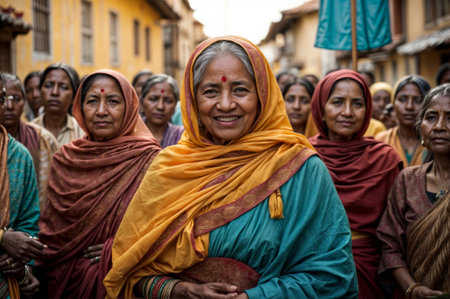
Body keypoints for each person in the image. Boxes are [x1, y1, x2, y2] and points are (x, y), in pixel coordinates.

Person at [104, 36, 358, 299]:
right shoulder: (169, 168)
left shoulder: (299, 168)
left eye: (240, 90)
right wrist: (179, 290)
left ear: (262, 95)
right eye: (211, 91)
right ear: (193, 99)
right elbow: (129, 270)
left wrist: (254, 297)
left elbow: (332, 276)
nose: (225, 104)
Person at [36, 69, 161, 298]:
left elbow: (161, 226)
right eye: (92, 101)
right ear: (80, 108)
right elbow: (52, 234)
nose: (101, 111)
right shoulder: (66, 159)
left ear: (130, 107)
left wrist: (118, 248)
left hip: (126, 278)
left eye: (113, 101)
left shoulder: (150, 159)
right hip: (63, 278)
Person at [309, 69, 402, 298]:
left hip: (371, 268)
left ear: (367, 110)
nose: (347, 112)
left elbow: (397, 227)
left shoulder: (385, 159)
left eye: (357, 104)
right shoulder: (302, 155)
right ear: (321, 109)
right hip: (312, 267)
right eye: (338, 102)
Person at [377, 84, 450, 298]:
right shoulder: (407, 181)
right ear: (420, 127)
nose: (439, 126)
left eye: (449, 118)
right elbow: (390, 247)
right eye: (431, 117)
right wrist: (412, 288)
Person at [0, 74, 46, 298]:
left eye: (3, 98)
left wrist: (22, 266)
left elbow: (28, 223)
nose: (6, 105)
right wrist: (2, 238)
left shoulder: (18, 155)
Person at [1, 73, 58, 209]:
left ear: (24, 102)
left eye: (16, 98)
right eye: (2, 99)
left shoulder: (44, 139)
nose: (9, 106)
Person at [375, 75, 431, 167]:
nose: (409, 106)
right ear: (393, 103)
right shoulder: (381, 140)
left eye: (417, 100)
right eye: (402, 99)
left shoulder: (434, 142)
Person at [31, 63, 84, 146]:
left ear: (74, 97)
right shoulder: (29, 131)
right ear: (40, 91)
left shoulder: (82, 132)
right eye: (48, 86)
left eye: (63, 87)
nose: (54, 92)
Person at [140, 74, 184, 148]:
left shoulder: (182, 136)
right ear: (141, 102)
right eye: (153, 99)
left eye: (168, 101)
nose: (160, 106)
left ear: (175, 105)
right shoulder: (130, 135)